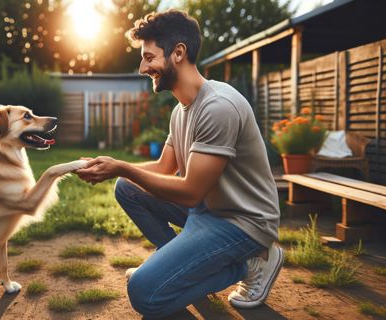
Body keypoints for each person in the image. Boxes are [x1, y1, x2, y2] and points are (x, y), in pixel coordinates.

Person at [75, 9, 284, 319]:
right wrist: (114, 167)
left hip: (242, 223)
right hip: (208, 211)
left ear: (178, 53)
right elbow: (163, 169)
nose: (143, 67)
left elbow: (189, 192)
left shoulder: (218, 107)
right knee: (126, 188)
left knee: (145, 295)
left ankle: (252, 262)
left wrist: (121, 166)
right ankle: (180, 266)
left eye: (149, 57)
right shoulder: (181, 110)